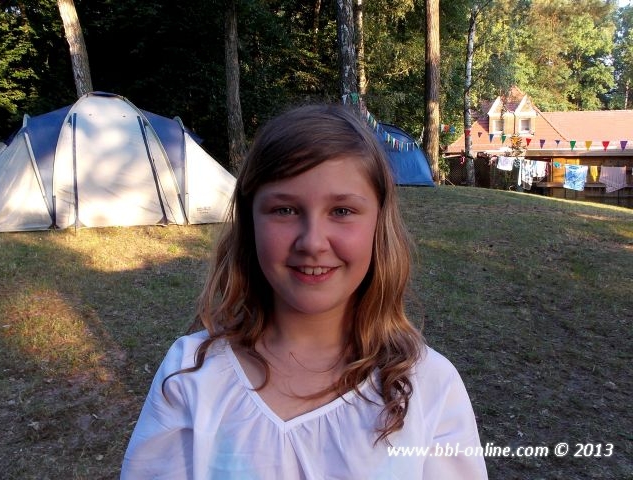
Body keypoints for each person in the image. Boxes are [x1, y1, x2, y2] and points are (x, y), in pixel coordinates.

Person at [121, 104, 488, 479]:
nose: (312, 242)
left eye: (342, 211)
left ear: (379, 225)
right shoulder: (190, 376)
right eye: (285, 210)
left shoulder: (430, 386)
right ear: (250, 223)